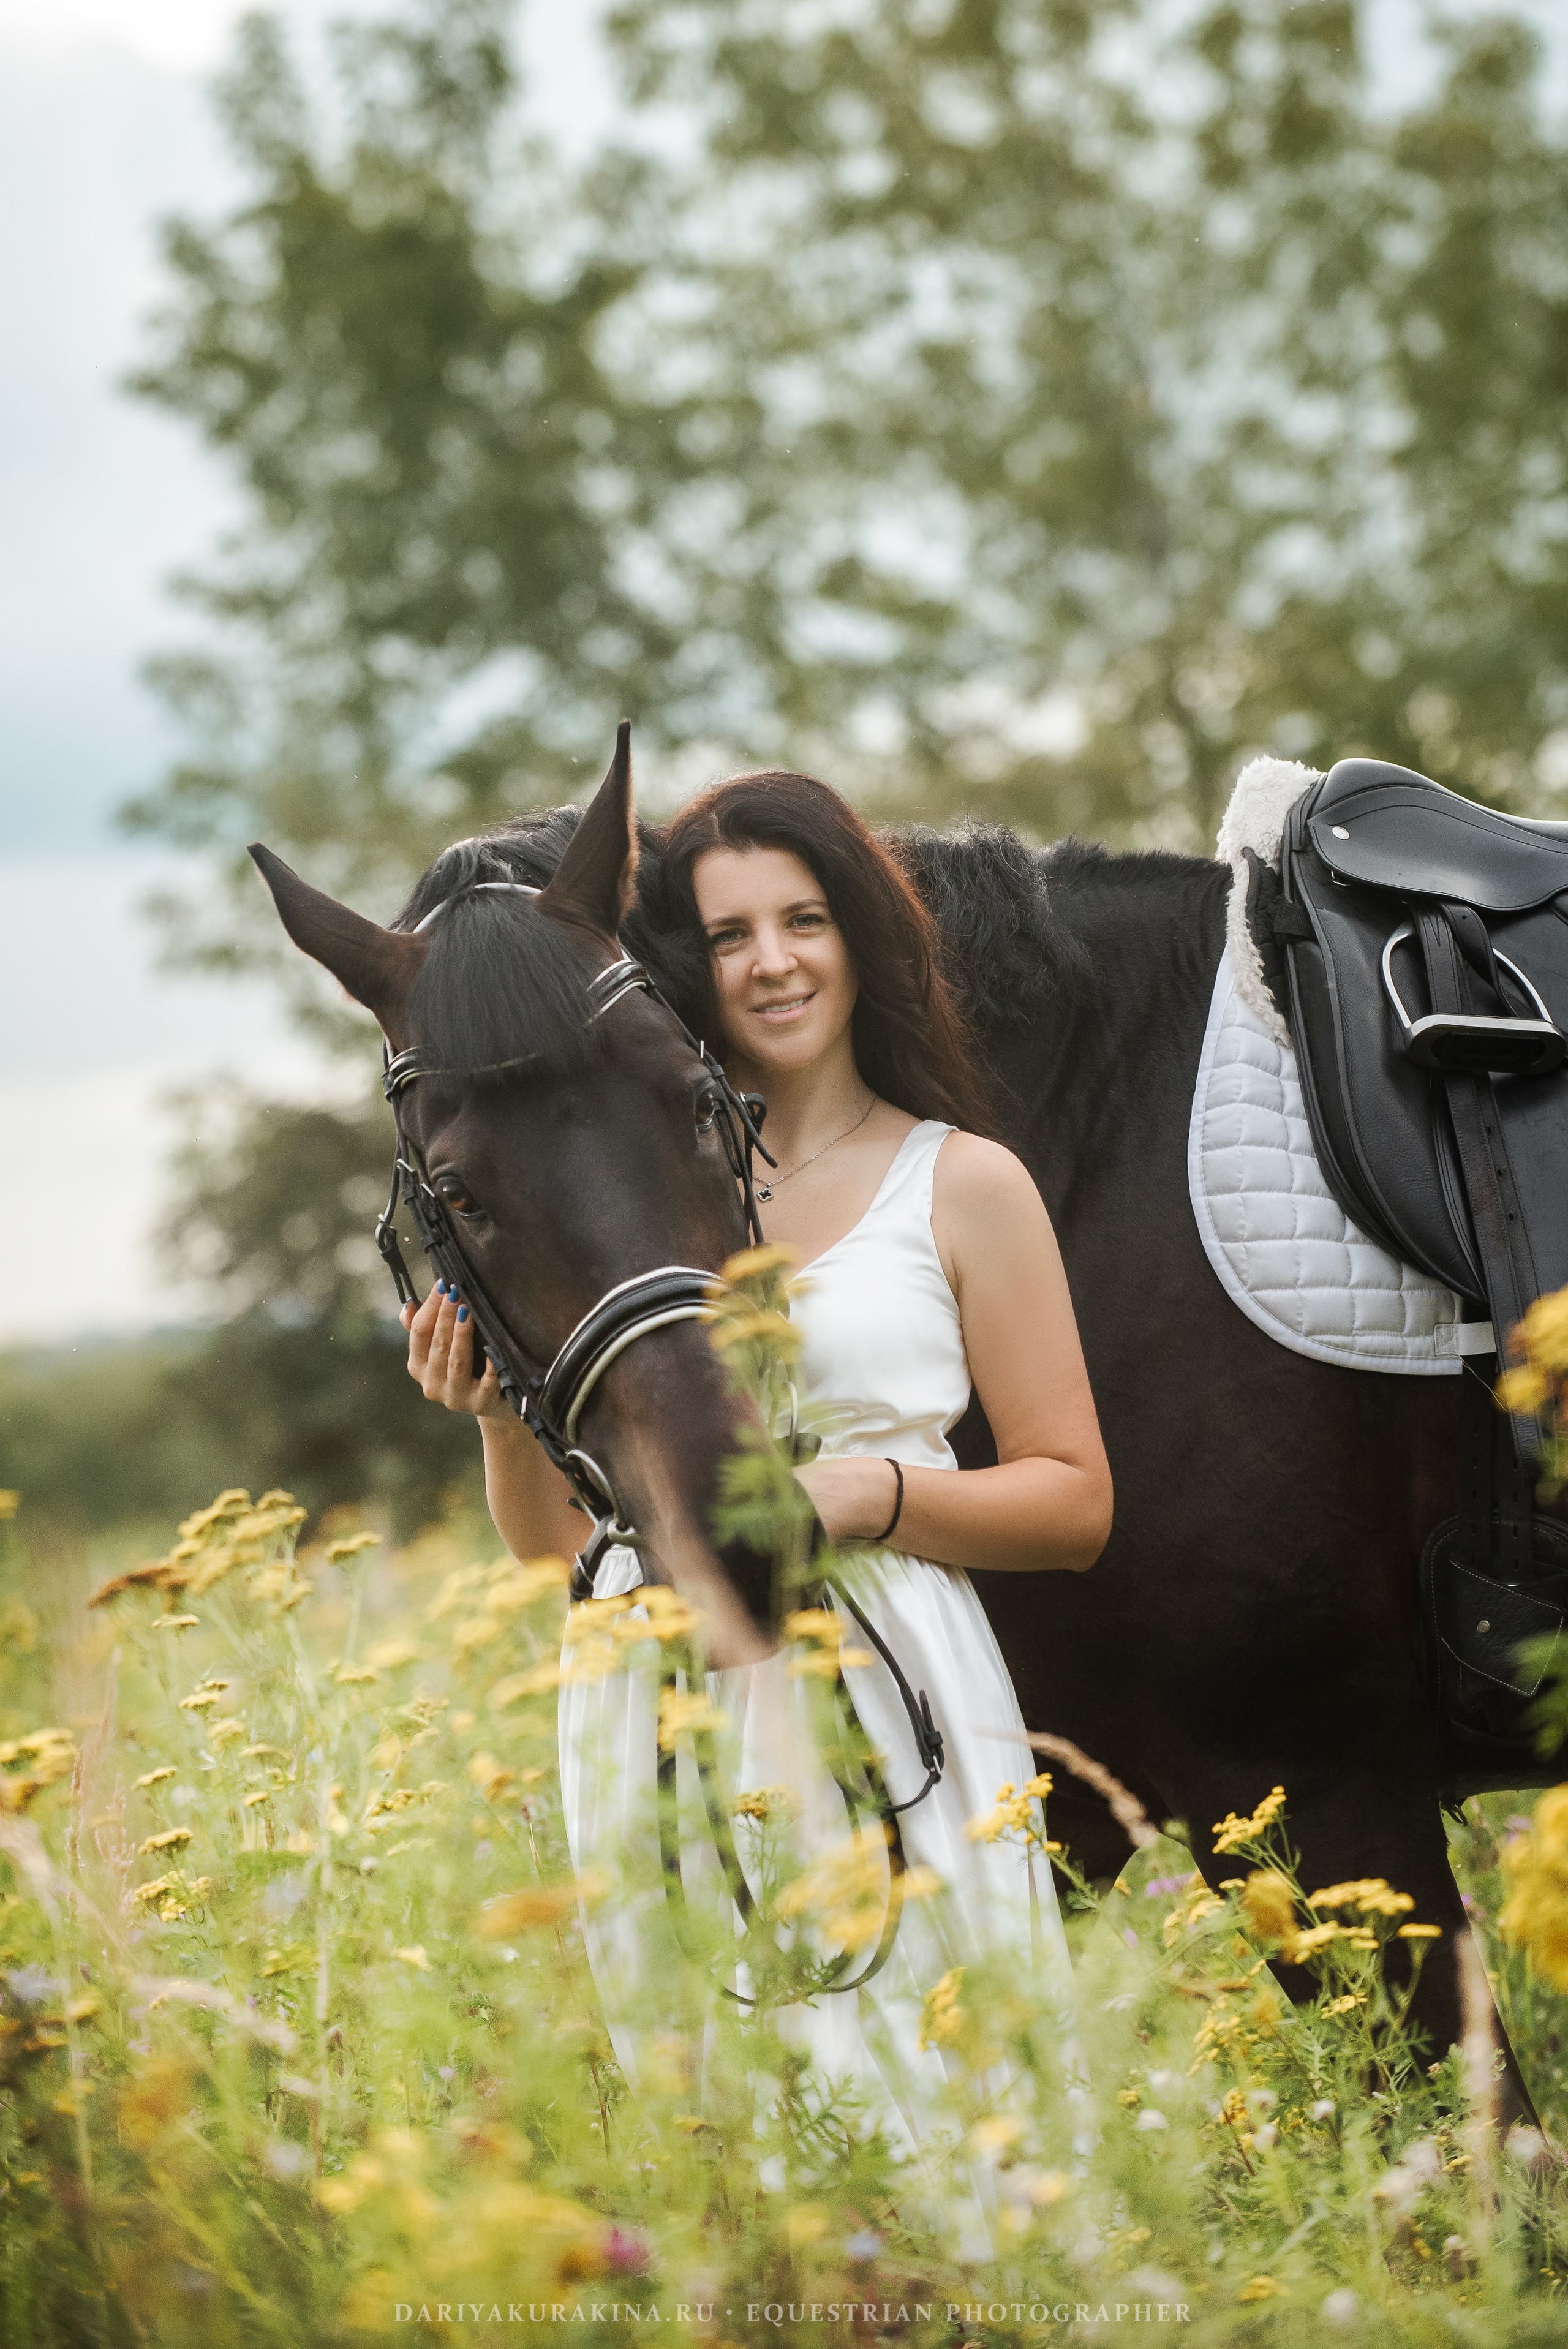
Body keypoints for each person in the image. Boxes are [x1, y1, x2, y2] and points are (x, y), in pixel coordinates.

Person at [401, 769, 1112, 2205]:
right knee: (733, 2156)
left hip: (894, 1672)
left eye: (804, 920)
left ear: (859, 936)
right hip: (654, 1697)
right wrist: (490, 1424)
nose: (772, 961)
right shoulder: (623, 1183)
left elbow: (1072, 1497)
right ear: (682, 961)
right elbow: (569, 1559)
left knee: (956, 2126)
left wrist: (861, 1497)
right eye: (728, 935)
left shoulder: (960, 1184)